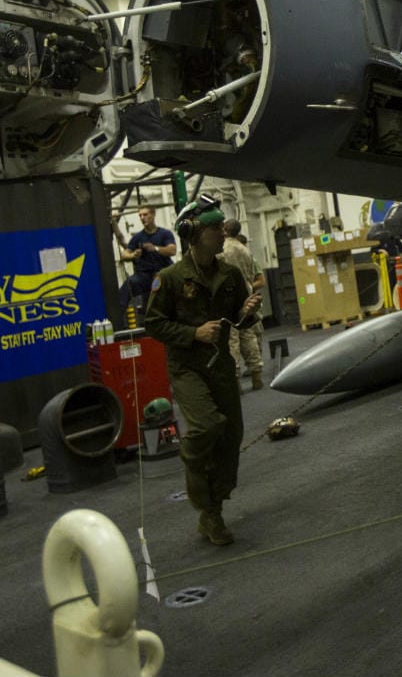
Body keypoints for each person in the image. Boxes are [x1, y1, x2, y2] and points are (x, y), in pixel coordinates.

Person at [144, 195, 262, 546]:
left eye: (221, 226)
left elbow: (239, 321)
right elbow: (154, 324)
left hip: (221, 366)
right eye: (214, 228)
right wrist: (192, 333)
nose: (222, 232)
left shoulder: (230, 275)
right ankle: (203, 497)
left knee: (231, 436)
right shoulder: (170, 278)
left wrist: (248, 311)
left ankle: (214, 510)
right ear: (192, 234)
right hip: (187, 368)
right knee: (207, 426)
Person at [221, 218, 267, 391]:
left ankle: (236, 382)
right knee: (248, 336)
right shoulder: (245, 250)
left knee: (232, 340)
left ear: (225, 229)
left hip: (228, 299)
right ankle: (257, 375)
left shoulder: (221, 250)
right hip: (246, 297)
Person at [116, 206, 176, 310]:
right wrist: (133, 255)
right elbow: (124, 255)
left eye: (145, 215)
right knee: (130, 283)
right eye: (140, 215)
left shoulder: (165, 234)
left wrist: (155, 248)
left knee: (159, 282)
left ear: (153, 215)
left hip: (161, 272)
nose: (142, 218)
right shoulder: (137, 237)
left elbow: (172, 250)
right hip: (144, 275)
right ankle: (119, 314)